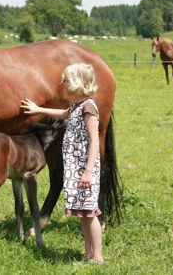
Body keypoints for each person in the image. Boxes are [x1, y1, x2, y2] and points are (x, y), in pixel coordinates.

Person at [20, 63, 104, 264]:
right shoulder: (76, 105)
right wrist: (38, 109)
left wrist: (88, 171)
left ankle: (98, 257)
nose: (63, 83)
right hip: (76, 167)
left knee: (90, 213)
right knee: (84, 213)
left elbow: (94, 140)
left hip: (85, 167)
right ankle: (88, 254)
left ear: (76, 82)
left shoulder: (89, 107)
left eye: (65, 79)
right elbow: (63, 114)